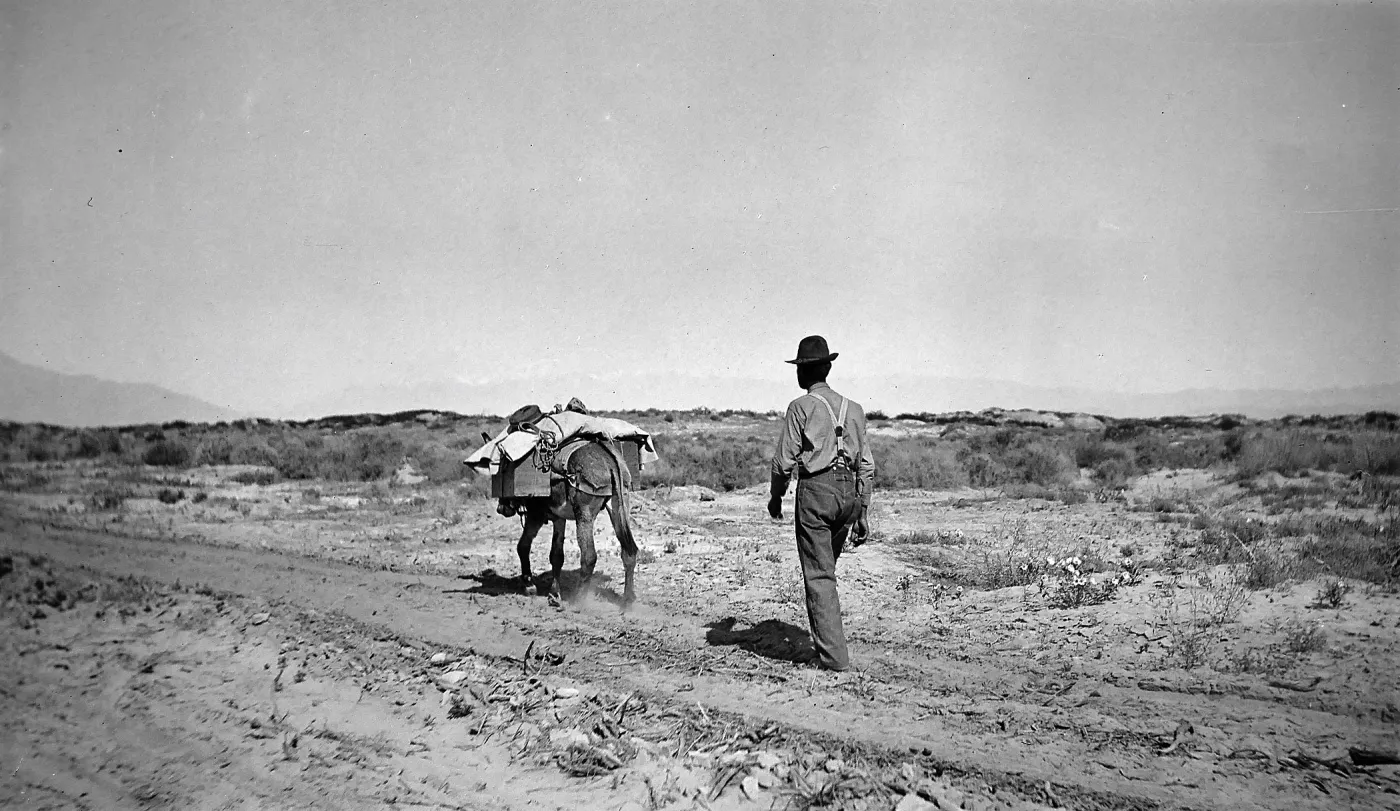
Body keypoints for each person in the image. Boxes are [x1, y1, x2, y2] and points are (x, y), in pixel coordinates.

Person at [768, 335, 874, 672]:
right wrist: (862, 511)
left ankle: (833, 658)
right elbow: (867, 465)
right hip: (849, 495)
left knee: (819, 577)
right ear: (827, 367)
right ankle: (828, 643)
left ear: (802, 373)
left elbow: (783, 463)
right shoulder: (854, 409)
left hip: (816, 491)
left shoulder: (800, 408)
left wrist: (775, 497)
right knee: (826, 570)